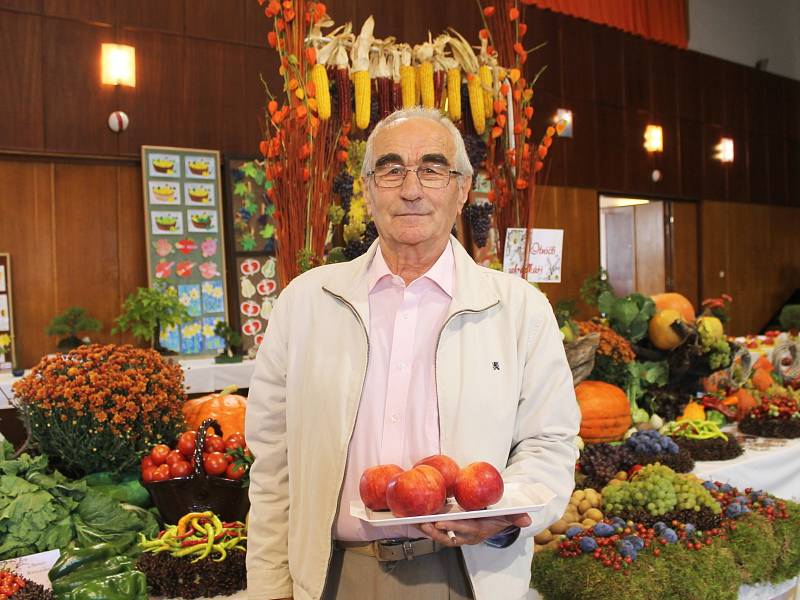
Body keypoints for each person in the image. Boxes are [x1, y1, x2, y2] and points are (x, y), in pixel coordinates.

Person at [245, 107, 580, 600]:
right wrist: (271, 589)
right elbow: (273, 463)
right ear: (366, 188)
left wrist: (501, 514)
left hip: (467, 575)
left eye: (432, 168)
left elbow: (549, 443)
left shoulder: (518, 309)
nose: (411, 188)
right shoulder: (306, 302)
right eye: (391, 168)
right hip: (335, 577)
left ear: (462, 189)